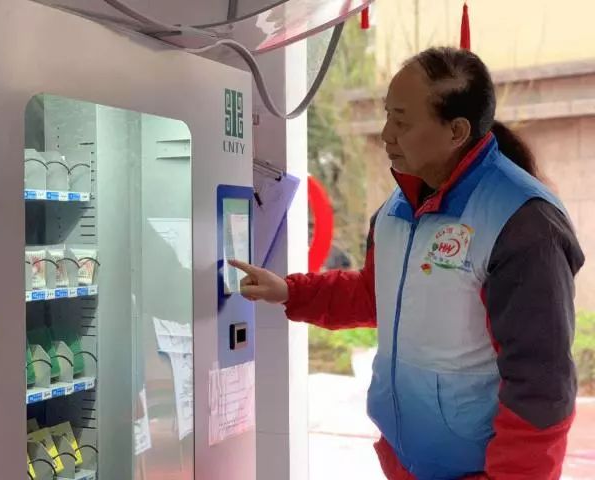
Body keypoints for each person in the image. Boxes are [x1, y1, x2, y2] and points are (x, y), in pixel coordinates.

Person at [230, 46, 585, 479]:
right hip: (405, 463)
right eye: (387, 116)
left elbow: (541, 389)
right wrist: (290, 291)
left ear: (456, 132)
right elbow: (372, 293)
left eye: (401, 121)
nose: (385, 134)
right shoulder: (398, 207)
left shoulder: (524, 224)